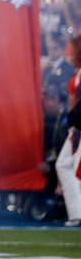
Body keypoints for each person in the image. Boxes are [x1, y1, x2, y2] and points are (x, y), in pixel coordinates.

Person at [56, 32, 81, 226]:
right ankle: (76, 213)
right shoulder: (77, 74)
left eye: (72, 50)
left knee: (76, 168)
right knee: (64, 164)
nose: (69, 54)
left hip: (79, 125)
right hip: (76, 126)